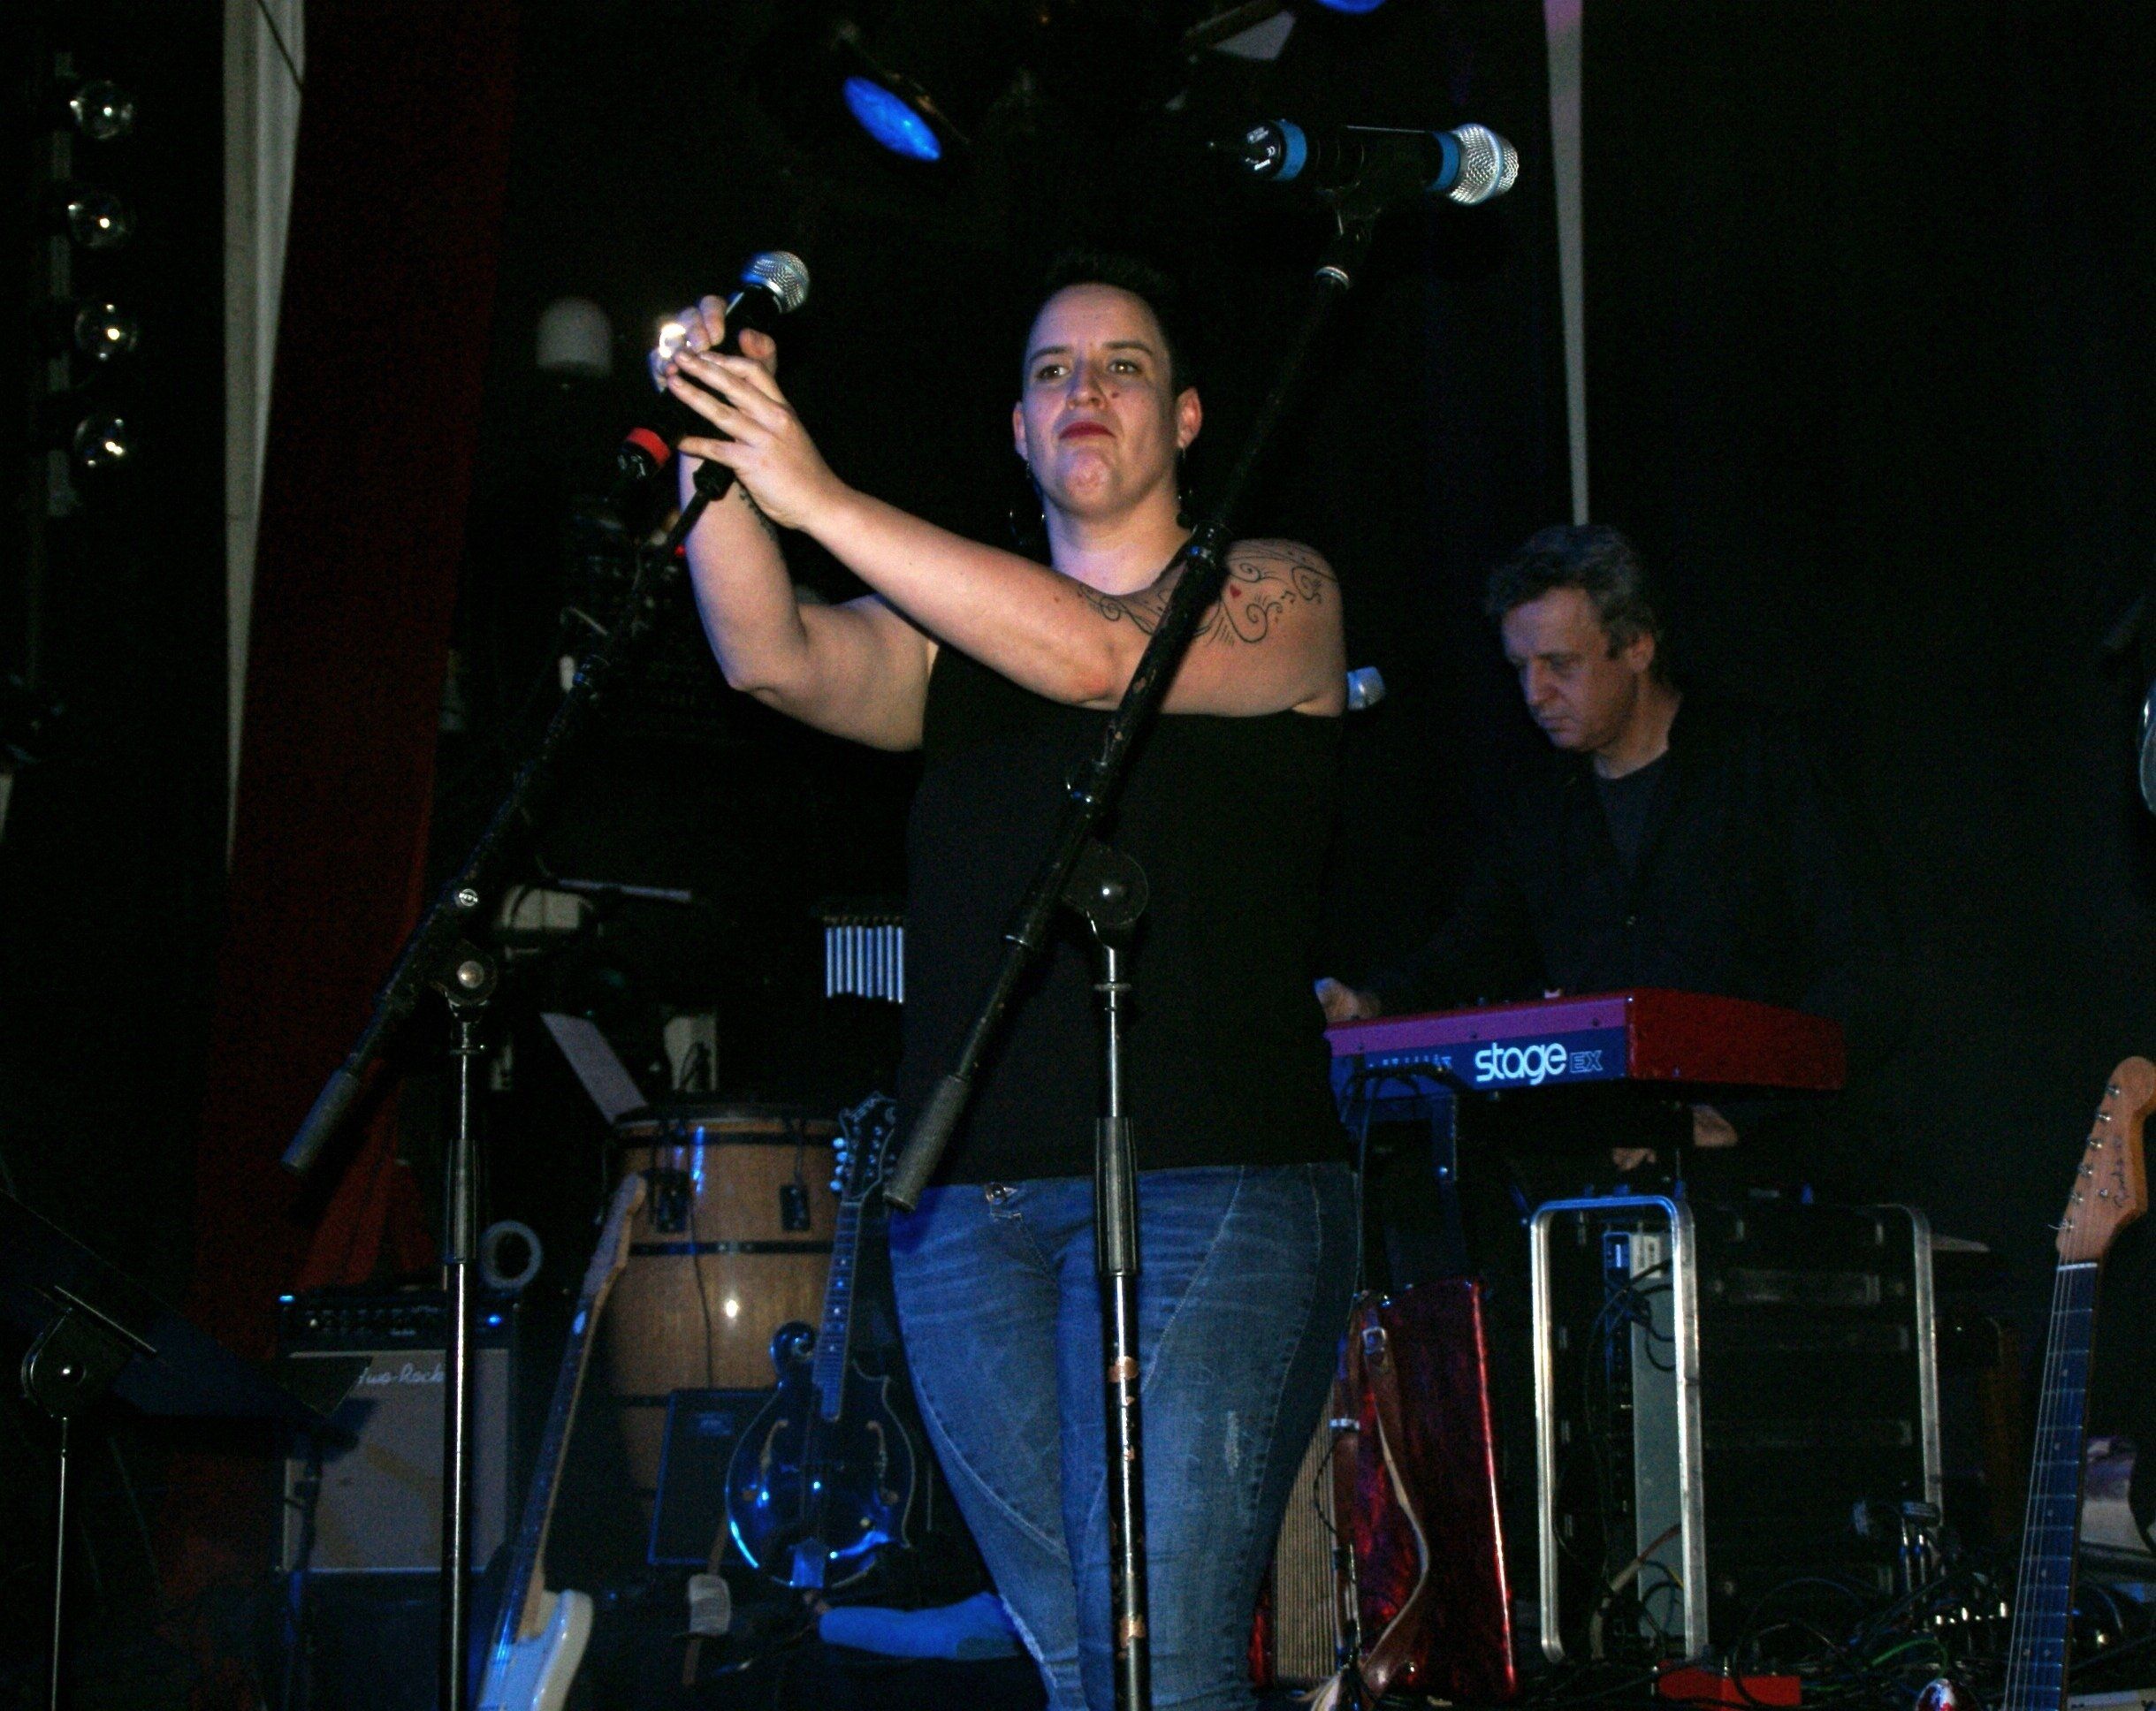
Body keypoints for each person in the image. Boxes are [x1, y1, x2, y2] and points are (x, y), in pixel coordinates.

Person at [657, 253, 1356, 1711]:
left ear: (1183, 420)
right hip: (962, 1208)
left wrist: (819, 495)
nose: (1082, 388)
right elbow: (770, 655)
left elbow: (1102, 660)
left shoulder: (1276, 589)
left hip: (1202, 1176)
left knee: (1158, 1668)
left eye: (1120, 366)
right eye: (1051, 372)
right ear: (1018, 433)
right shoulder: (940, 642)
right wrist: (717, 449)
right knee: (1082, 1670)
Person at [1319, 523, 1901, 1164]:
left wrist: (1738, 1116)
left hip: (1771, 1159)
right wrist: (1367, 1005)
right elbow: (1472, 951)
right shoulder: (1540, 806)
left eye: (1560, 664)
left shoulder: (1763, 765)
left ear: (1638, 646)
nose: (1534, 693)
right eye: (1520, 668)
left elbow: (1861, 969)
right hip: (1601, 1162)